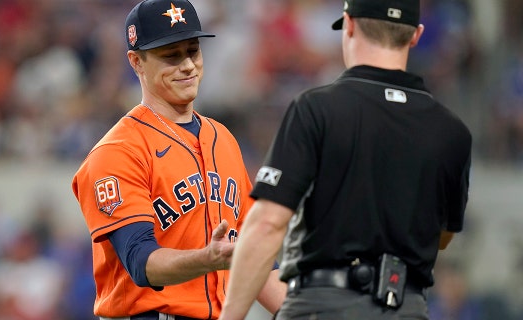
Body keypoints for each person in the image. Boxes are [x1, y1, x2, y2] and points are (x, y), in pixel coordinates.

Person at [219, 0, 472, 319]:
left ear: (349, 24)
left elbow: (268, 222)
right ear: (415, 35)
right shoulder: (453, 131)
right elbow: (443, 235)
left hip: (325, 304)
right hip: (408, 307)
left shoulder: (317, 109)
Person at [71, 0, 286, 319]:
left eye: (192, 51)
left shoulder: (222, 138)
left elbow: (252, 256)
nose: (187, 65)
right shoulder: (118, 151)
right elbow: (141, 262)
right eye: (171, 55)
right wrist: (208, 258)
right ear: (137, 61)